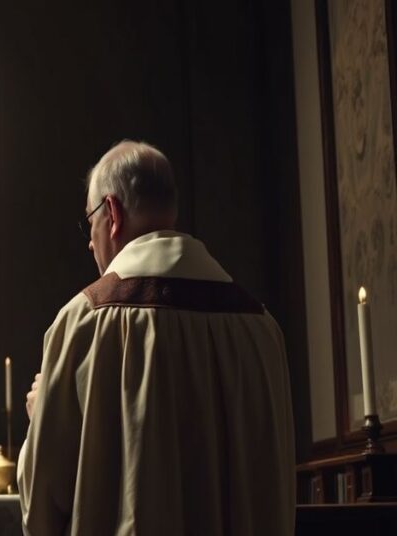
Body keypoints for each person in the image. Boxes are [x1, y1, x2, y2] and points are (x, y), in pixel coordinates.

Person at [18, 141, 295, 535]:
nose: (89, 241)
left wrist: (40, 418)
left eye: (89, 222)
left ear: (111, 213)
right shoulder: (262, 329)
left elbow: (42, 511)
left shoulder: (83, 323)